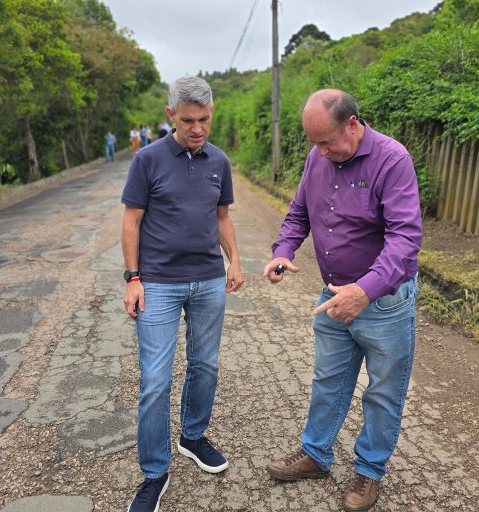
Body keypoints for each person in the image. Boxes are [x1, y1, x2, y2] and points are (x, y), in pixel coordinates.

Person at [263, 89, 422, 512]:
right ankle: (316, 456)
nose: (320, 151)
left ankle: (369, 473)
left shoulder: (392, 159)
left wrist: (365, 290)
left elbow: (405, 237)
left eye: (327, 141)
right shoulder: (318, 158)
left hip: (383, 302)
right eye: (314, 143)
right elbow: (299, 213)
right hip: (333, 295)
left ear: (352, 123)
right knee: (328, 381)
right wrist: (283, 250)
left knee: (384, 393)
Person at [121, 76, 244, 512]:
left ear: (213, 114)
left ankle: (192, 435)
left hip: (208, 280)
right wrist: (132, 278)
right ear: (171, 115)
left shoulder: (219, 161)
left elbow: (222, 215)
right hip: (158, 283)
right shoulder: (148, 160)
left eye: (205, 120)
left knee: (205, 366)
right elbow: (131, 220)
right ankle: (155, 473)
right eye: (188, 120)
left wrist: (235, 259)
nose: (197, 128)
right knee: (155, 381)